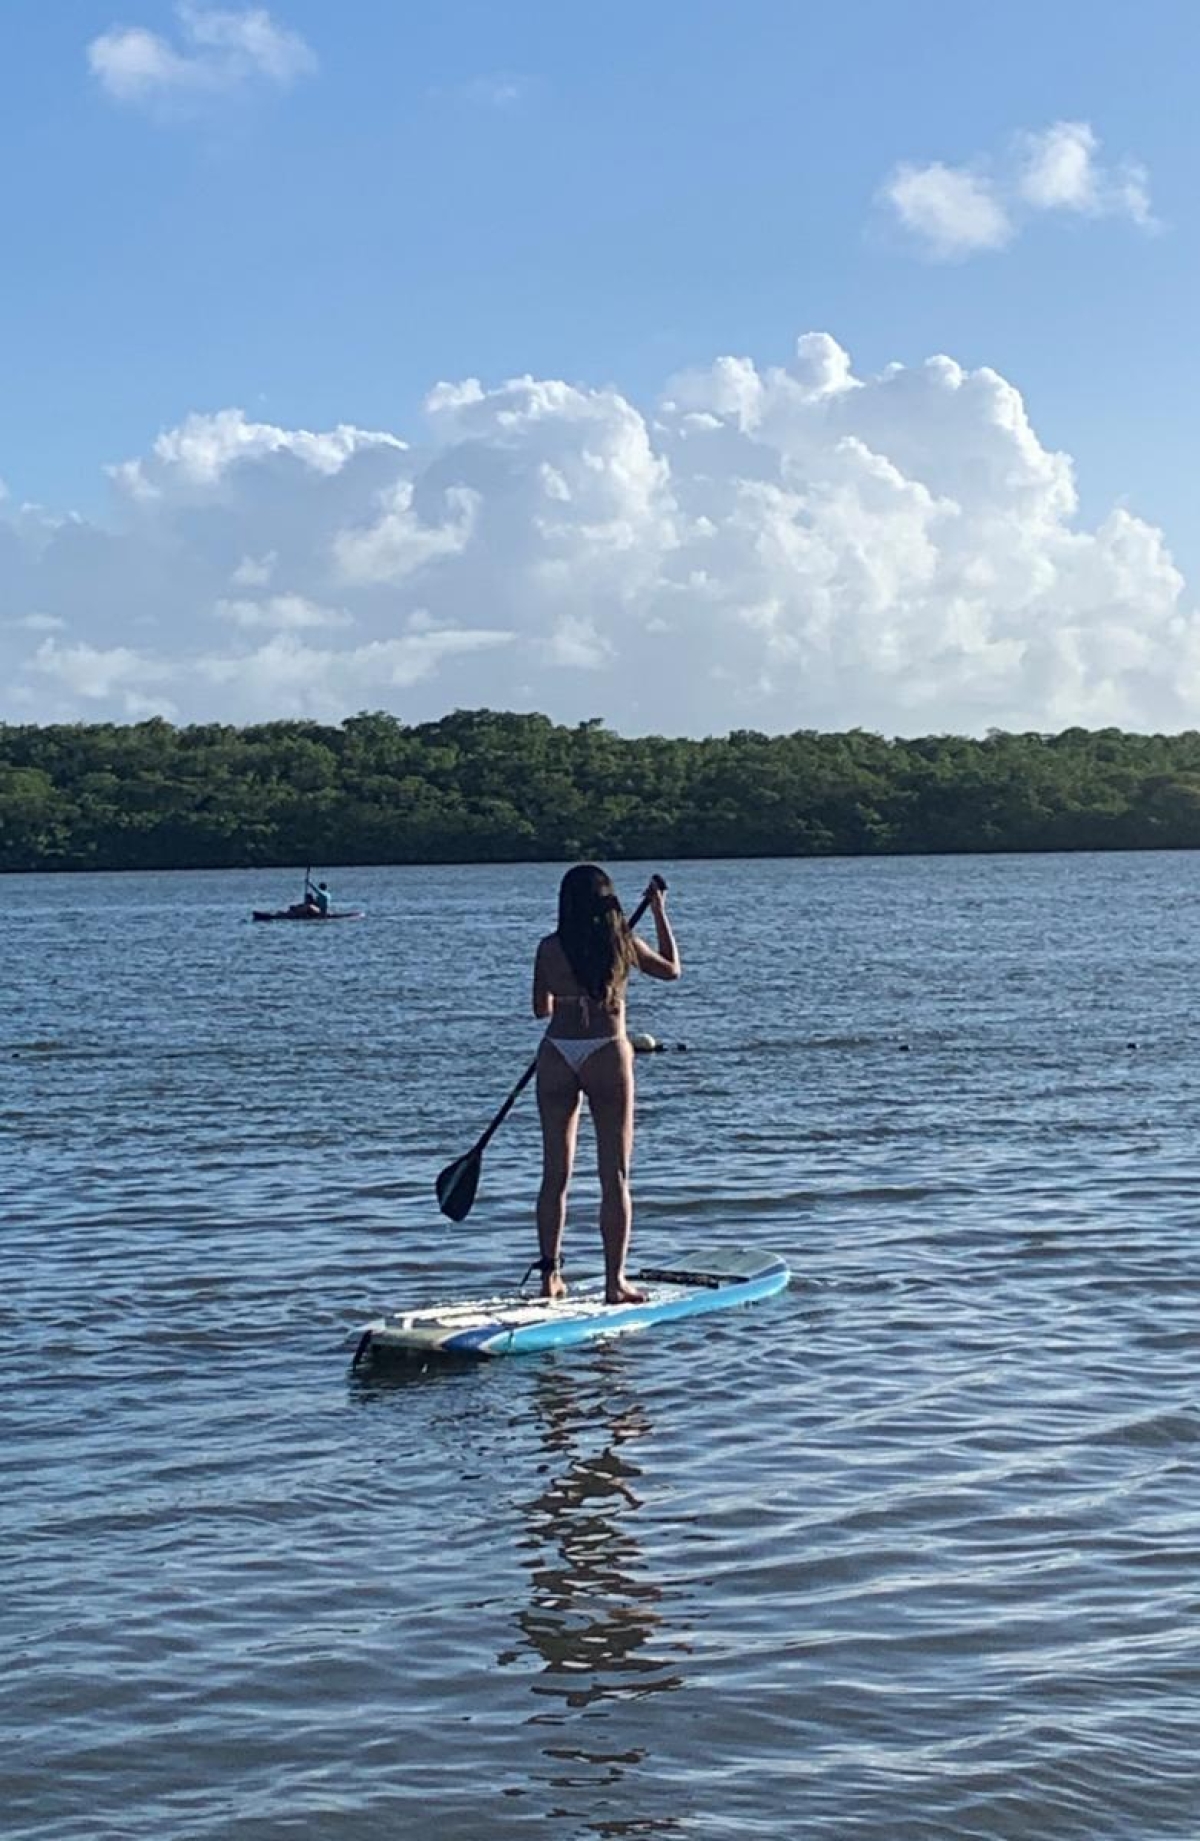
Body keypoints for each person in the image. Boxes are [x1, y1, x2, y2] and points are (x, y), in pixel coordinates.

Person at [531, 865, 680, 1306]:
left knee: (554, 1174)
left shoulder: (548, 948)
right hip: (606, 1052)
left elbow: (541, 1009)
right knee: (613, 1174)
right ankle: (615, 1283)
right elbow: (672, 970)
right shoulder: (622, 943)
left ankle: (549, 1277)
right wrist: (658, 912)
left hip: (556, 1053)